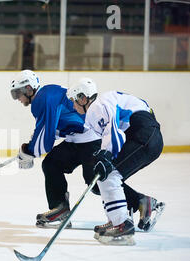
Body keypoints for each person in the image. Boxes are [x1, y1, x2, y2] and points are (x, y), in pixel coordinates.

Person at [67, 78, 165, 245]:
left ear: (83, 98)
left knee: (109, 174)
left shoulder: (97, 106)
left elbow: (113, 131)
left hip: (145, 135)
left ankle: (122, 226)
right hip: (148, 135)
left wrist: (106, 154)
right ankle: (118, 219)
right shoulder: (103, 104)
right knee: (106, 175)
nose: (73, 105)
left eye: (74, 101)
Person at [10, 70, 101, 227]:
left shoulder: (42, 98)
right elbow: (53, 130)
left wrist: (29, 151)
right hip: (77, 139)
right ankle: (60, 210)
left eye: (18, 93)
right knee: (51, 163)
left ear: (29, 89)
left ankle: (141, 202)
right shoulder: (46, 95)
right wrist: (30, 148)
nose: (17, 98)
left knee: (97, 182)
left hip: (91, 138)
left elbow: (45, 140)